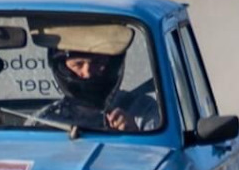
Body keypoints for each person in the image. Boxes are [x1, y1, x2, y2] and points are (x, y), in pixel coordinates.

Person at [34, 22, 163, 132]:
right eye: (78, 64)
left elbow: (161, 154)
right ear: (63, 68)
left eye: (98, 63)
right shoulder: (46, 120)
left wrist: (134, 134)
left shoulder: (145, 111)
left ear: (112, 65)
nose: (88, 72)